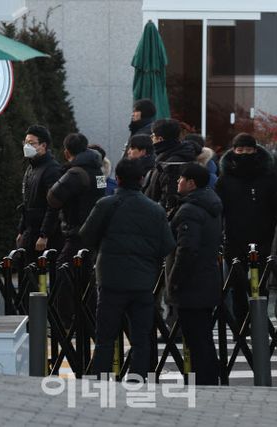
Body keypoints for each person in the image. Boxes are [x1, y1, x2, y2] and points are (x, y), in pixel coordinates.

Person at [79, 158, 175, 380]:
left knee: (105, 338)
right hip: (143, 281)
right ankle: (137, 380)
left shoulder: (106, 205)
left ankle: (101, 381)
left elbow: (86, 236)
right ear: (141, 180)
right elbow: (167, 245)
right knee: (141, 338)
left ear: (118, 179)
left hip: (110, 279)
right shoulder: (155, 210)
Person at [214, 132, 277, 331]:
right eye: (239, 150)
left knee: (260, 284)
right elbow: (219, 210)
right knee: (237, 285)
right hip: (234, 238)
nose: (244, 153)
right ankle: (241, 325)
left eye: (248, 149)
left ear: (255, 150)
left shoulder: (269, 176)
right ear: (233, 151)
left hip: (264, 237)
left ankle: (259, 323)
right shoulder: (225, 179)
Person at [166, 163, 222, 385]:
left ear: (191, 183)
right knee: (203, 337)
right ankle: (209, 380)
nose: (177, 182)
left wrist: (175, 280)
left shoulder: (190, 210)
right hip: (207, 278)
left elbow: (187, 250)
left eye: (181, 179)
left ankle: (204, 384)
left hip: (192, 283)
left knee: (196, 338)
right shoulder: (210, 204)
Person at [47, 133, 106, 264]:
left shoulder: (75, 173)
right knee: (85, 269)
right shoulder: (99, 171)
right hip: (95, 229)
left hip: (76, 231)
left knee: (62, 268)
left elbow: (52, 198)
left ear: (67, 152)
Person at [15, 125, 62, 262]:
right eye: (25, 142)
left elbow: (53, 206)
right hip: (30, 230)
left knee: (40, 270)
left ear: (43, 145)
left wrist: (44, 235)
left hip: (44, 235)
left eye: (31, 143)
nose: (26, 146)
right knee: (23, 266)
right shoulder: (31, 168)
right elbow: (26, 202)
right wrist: (21, 230)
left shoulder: (52, 169)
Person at [144, 119, 197, 215]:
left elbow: (169, 199)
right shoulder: (167, 156)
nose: (151, 138)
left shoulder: (172, 164)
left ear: (160, 139)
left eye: (153, 135)